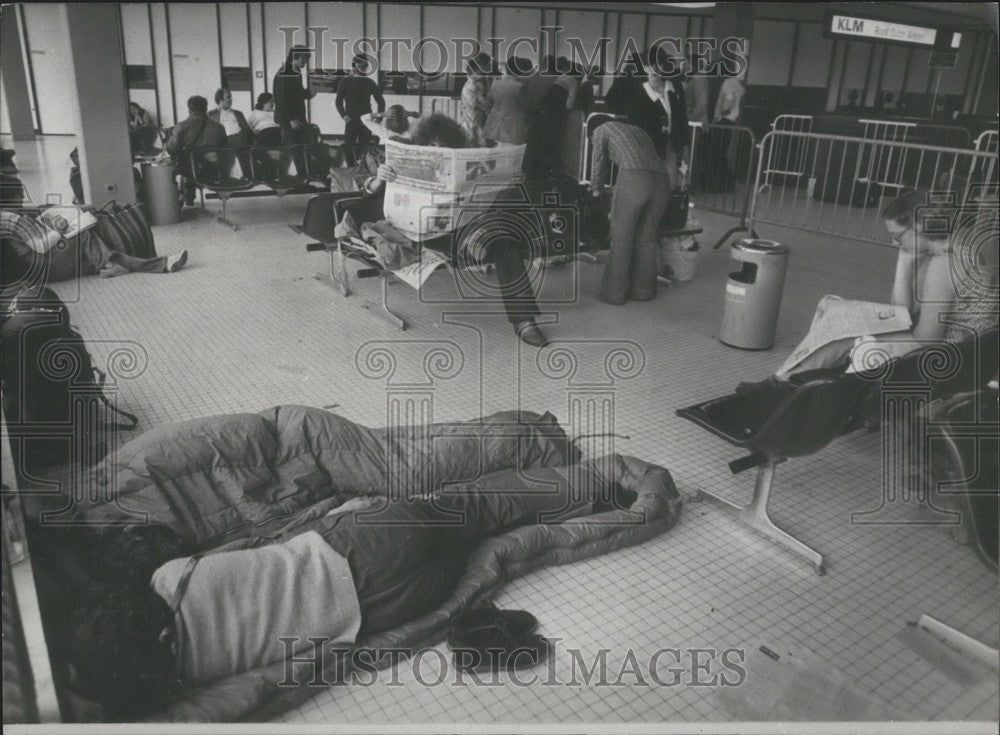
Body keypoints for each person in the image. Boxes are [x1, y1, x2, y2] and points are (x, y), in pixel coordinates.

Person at [66, 460, 615, 718]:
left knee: (482, 541)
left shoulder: (195, 678)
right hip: (364, 540)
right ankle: (600, 484)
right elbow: (261, 548)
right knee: (483, 506)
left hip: (392, 604)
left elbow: (269, 685)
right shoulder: (172, 575)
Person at [363, 114, 549, 347]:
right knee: (501, 236)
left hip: (458, 230)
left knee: (506, 231)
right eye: (433, 145)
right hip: (421, 235)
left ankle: (524, 322)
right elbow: (367, 192)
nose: (438, 150)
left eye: (444, 146)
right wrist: (379, 179)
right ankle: (483, 234)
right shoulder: (401, 158)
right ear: (423, 143)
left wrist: (513, 179)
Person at [776, 190, 977, 379]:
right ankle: (789, 380)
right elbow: (902, 313)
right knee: (838, 314)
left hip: (947, 360)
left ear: (918, 225)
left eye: (897, 236)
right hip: (967, 354)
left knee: (843, 335)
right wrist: (904, 262)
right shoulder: (957, 250)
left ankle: (784, 382)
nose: (894, 243)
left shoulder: (943, 264)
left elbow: (926, 339)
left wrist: (864, 332)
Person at [589, 120, 670, 304]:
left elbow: (598, 161)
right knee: (647, 238)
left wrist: (596, 191)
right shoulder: (638, 129)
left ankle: (614, 295)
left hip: (635, 179)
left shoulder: (601, 129)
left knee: (621, 238)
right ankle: (643, 292)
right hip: (662, 180)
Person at [0, 208, 188, 279]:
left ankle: (164, 264)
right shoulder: (7, 218)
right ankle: (108, 264)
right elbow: (41, 246)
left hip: (37, 272)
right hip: (43, 260)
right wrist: (58, 228)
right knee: (83, 234)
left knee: (90, 258)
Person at [605, 46, 689, 192]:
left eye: (658, 64)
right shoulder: (636, 87)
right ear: (643, 67)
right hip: (644, 145)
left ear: (664, 65)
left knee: (668, 187)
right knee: (645, 189)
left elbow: (682, 117)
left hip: (670, 145)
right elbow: (613, 103)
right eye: (650, 65)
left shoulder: (674, 86)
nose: (654, 68)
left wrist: (686, 144)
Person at [164, 95, 227, 206]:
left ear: (190, 109)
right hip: (214, 169)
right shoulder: (219, 127)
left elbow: (171, 149)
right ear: (206, 108)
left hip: (191, 171)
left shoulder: (182, 126)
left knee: (183, 161)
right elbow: (224, 149)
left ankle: (187, 195)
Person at [336, 53, 385, 167]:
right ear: (355, 65)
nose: (364, 69)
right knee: (353, 147)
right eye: (363, 66)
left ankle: (357, 169)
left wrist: (379, 118)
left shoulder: (367, 82)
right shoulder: (347, 82)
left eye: (365, 66)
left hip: (359, 121)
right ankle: (354, 169)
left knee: (358, 148)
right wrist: (344, 116)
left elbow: (381, 101)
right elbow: (338, 101)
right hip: (356, 120)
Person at [273, 45, 316, 147]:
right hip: (289, 119)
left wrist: (311, 92)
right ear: (294, 57)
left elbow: (298, 94)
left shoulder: (295, 71)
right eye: (303, 57)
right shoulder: (286, 72)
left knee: (301, 147)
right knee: (291, 148)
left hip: (297, 117)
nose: (306, 61)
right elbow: (281, 99)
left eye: (307, 58)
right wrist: (291, 118)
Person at [484, 56, 532, 146]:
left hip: (494, 127)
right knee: (511, 157)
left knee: (496, 155)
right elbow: (527, 108)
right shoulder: (520, 87)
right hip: (513, 130)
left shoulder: (495, 84)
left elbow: (488, 104)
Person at [459, 52, 493, 147]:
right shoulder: (472, 86)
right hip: (474, 125)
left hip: (475, 123)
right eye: (483, 69)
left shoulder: (476, 84)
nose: (486, 72)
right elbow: (472, 111)